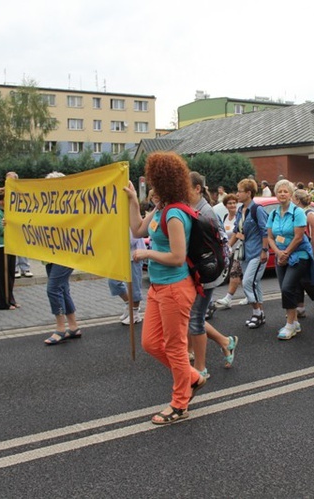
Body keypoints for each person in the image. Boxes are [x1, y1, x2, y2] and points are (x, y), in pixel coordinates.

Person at [126, 152, 206, 425]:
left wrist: (147, 256)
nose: (150, 182)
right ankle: (193, 378)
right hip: (159, 288)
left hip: (175, 287)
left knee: (174, 347)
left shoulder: (174, 213)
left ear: (162, 179)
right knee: (151, 343)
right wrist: (133, 201)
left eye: (153, 178)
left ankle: (179, 404)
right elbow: (137, 230)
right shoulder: (160, 209)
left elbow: (176, 256)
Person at [186, 172, 238, 378]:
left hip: (207, 272)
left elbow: (220, 243)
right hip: (199, 269)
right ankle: (226, 342)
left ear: (197, 189)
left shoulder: (205, 213)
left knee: (195, 317)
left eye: (185, 188)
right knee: (192, 316)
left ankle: (200, 368)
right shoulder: (195, 208)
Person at [267, 180, 314, 340]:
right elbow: (269, 237)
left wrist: (286, 253)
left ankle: (290, 325)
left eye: (285, 191)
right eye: (279, 191)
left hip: (298, 255)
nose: (282, 194)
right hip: (280, 255)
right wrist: (277, 252)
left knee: (289, 287)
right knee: (285, 289)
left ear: (291, 194)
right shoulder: (273, 214)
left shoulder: (298, 212)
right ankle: (294, 321)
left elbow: (299, 236)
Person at [42, 172, 81, 345]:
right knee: (62, 288)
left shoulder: (70, 205)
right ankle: (73, 326)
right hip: (49, 254)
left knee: (53, 288)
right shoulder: (44, 206)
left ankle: (60, 328)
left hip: (66, 253)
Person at [227, 179, 269, 329]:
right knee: (254, 283)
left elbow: (265, 231)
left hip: (257, 252)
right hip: (245, 252)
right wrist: (227, 247)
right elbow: (236, 232)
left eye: (240, 191)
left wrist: (264, 251)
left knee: (247, 283)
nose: (237, 194)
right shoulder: (240, 210)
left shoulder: (257, 210)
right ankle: (260, 314)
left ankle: (257, 313)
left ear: (248, 193)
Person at [292, 188, 314, 317]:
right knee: (297, 280)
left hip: (306, 251)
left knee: (306, 280)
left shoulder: (310, 214)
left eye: (293, 198)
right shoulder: (295, 213)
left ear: (297, 200)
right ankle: (300, 308)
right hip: (296, 251)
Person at [108, 230, 146, 325]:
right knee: (113, 282)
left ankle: (135, 313)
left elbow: (132, 240)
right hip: (120, 256)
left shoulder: (130, 218)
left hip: (134, 256)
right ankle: (129, 305)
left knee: (134, 286)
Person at [0, 187, 17, 310]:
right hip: (0, 246)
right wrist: (10, 225)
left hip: (10, 245)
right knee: (3, 275)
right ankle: (3, 303)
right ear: (0, 200)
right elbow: (0, 230)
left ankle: (11, 299)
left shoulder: (8, 211)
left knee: (11, 274)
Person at [214, 194, 242, 309]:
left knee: (234, 273)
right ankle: (250, 297)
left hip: (238, 249)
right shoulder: (225, 217)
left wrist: (229, 246)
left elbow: (240, 233)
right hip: (228, 250)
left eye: (234, 203)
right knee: (240, 274)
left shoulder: (240, 217)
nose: (232, 205)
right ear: (225, 206)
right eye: (230, 203)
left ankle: (228, 299)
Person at [6, 172, 33, 278]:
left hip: (21, 223)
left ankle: (25, 268)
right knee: (13, 247)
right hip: (11, 224)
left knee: (23, 246)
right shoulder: (5, 192)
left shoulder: (22, 192)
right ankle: (15, 269)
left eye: (12, 180)